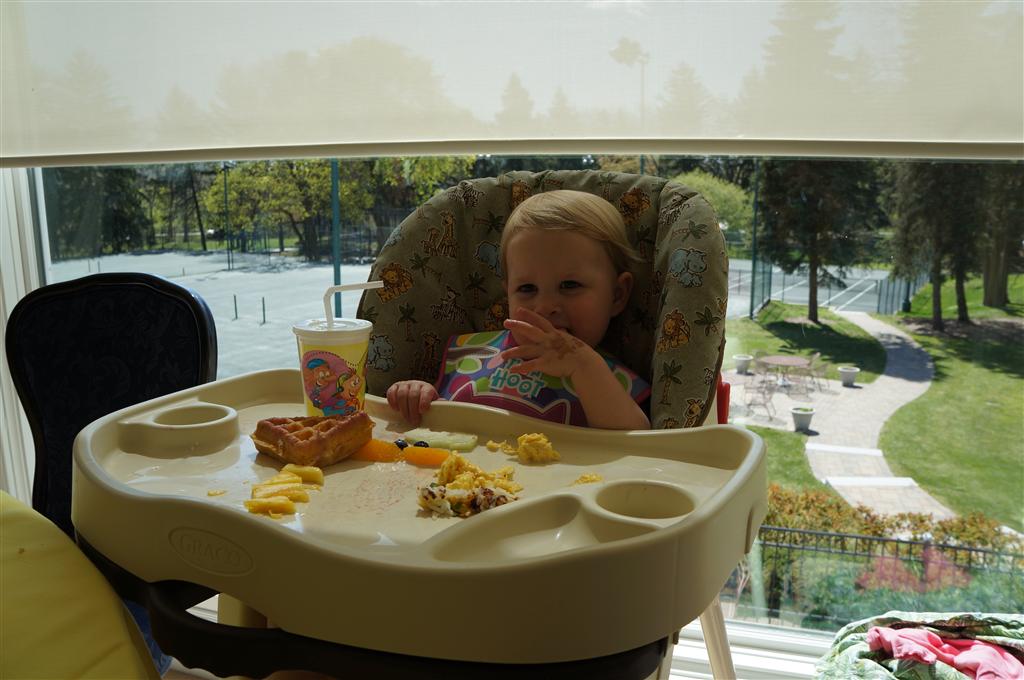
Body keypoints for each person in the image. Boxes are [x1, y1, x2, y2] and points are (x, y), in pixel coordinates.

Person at [386, 190, 651, 430]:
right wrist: (418, 395)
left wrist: (584, 366)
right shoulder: (471, 355)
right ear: (508, 294)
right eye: (527, 289)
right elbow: (435, 419)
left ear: (617, 295)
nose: (544, 306)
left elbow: (635, 444)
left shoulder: (611, 384)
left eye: (570, 285)